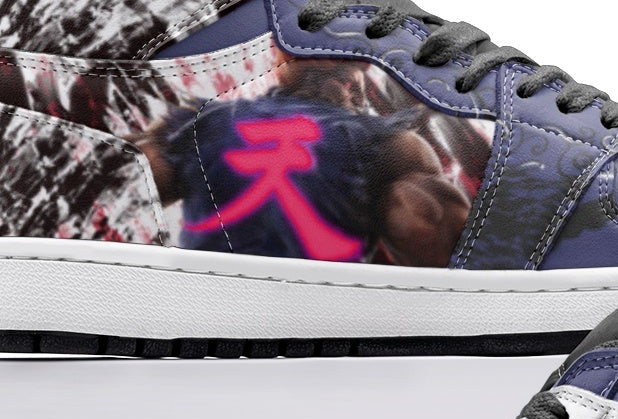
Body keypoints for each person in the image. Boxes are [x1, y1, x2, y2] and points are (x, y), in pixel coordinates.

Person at [137, 55, 472, 264]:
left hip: (214, 294)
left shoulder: (204, 122)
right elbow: (431, 231)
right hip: (311, 312)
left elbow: (126, 180)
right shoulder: (389, 144)